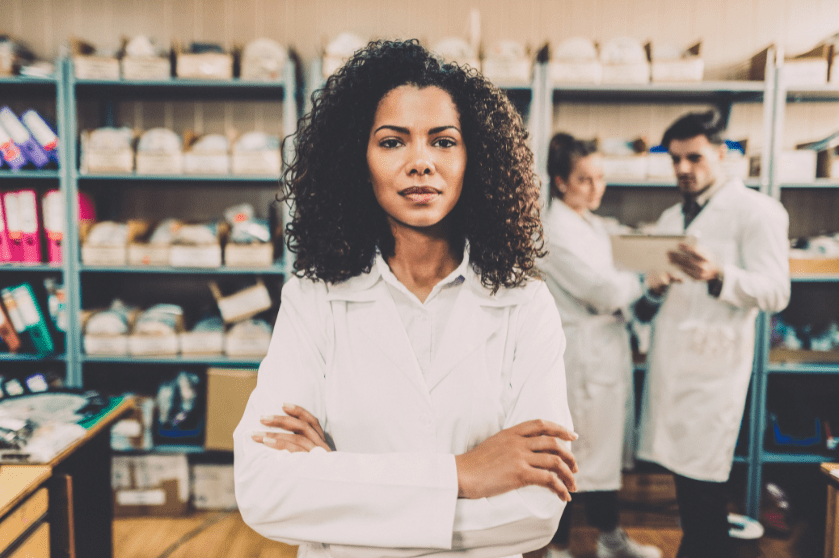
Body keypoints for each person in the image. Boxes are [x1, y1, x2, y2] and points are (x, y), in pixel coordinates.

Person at [233, 39, 579, 558]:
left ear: (475, 157)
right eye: (393, 142)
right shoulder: (314, 299)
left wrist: (332, 481)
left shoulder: (525, 304)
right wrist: (463, 474)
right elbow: (265, 491)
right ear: (357, 159)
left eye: (443, 141)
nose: (421, 162)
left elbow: (536, 509)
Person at [634, 110, 790, 558]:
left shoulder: (758, 212)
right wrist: (654, 288)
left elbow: (776, 291)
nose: (683, 168)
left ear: (722, 154)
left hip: (714, 373)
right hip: (673, 369)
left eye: (695, 157)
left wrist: (719, 275)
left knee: (704, 493)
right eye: (675, 159)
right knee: (690, 495)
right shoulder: (670, 218)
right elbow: (650, 306)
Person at [539, 133, 662, 558]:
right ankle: (558, 547)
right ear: (560, 182)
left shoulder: (591, 225)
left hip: (605, 351)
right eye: (584, 179)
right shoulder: (553, 231)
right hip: (581, 357)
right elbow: (604, 291)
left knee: (601, 457)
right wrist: (641, 280)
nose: (596, 188)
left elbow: (614, 286)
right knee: (574, 456)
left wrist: (635, 286)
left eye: (600, 178)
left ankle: (609, 538)